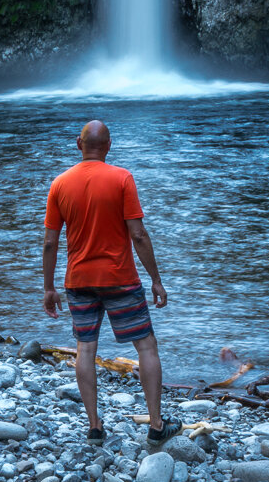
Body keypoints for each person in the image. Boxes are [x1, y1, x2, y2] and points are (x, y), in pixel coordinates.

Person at [42, 119, 179, 446]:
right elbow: (138, 234)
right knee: (146, 346)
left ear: (79, 144)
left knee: (85, 349)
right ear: (109, 146)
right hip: (120, 280)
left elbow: (50, 243)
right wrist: (156, 279)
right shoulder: (122, 178)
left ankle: (94, 427)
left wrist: (48, 288)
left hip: (78, 280)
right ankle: (157, 426)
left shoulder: (60, 184)